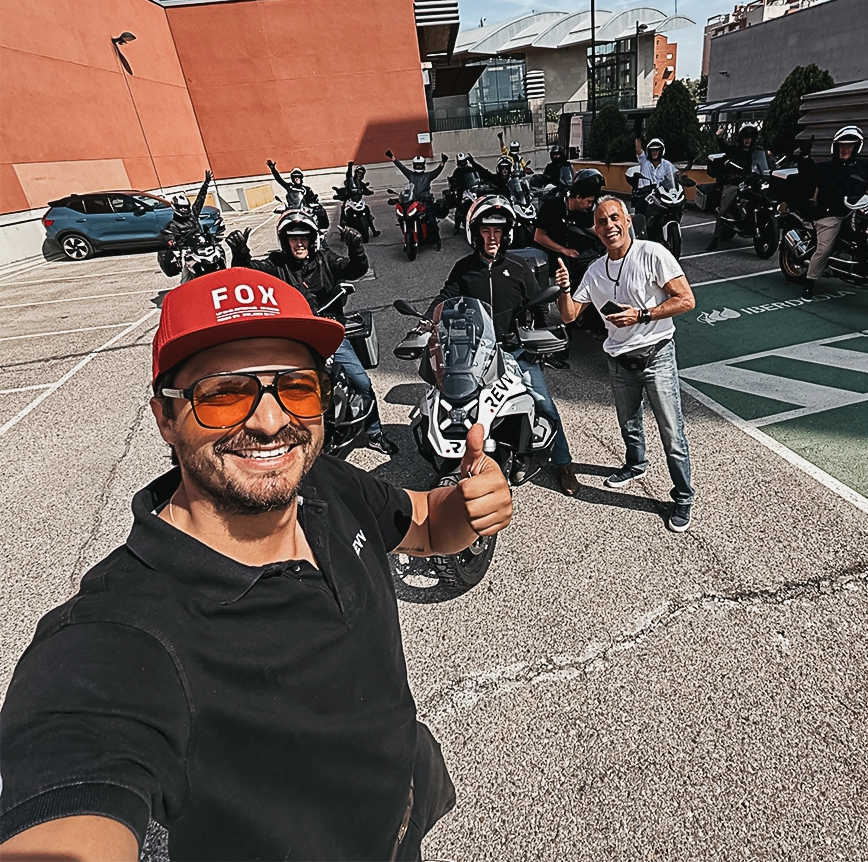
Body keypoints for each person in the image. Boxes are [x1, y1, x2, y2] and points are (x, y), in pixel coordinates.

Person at [0, 268, 511, 862]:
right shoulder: (119, 636)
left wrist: (465, 502)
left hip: (403, 809)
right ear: (165, 417)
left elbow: (421, 523)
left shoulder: (324, 484)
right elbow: (69, 793)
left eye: (295, 387)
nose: (270, 422)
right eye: (223, 394)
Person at [422, 195, 580, 496]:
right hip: (471, 352)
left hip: (513, 351)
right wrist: (427, 320)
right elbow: (446, 297)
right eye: (486, 230)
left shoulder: (519, 267)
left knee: (543, 403)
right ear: (475, 232)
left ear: (506, 232)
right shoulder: (464, 268)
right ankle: (449, 461)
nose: (492, 236)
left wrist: (546, 336)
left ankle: (562, 462)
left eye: (498, 230)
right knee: (450, 402)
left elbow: (538, 305)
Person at [555, 197, 697, 532]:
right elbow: (569, 314)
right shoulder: (595, 270)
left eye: (614, 218)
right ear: (597, 230)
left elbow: (686, 299)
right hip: (619, 360)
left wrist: (642, 314)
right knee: (628, 422)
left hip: (657, 354)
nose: (609, 226)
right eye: (602, 222)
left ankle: (683, 497)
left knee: (672, 433)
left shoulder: (653, 254)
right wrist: (563, 289)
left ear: (628, 220)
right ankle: (636, 464)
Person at [226, 211, 398, 455]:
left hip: (330, 332)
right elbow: (247, 275)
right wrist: (240, 253)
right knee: (278, 388)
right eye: (293, 238)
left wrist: (355, 246)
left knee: (362, 383)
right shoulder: (277, 265)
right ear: (284, 242)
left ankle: (374, 432)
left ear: (312, 239)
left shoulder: (325, 259)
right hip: (295, 336)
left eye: (304, 238)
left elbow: (355, 269)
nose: (299, 243)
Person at [796, 125, 868, 299]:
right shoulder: (826, 168)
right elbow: (808, 173)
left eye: (850, 146)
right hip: (831, 214)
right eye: (842, 146)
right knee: (824, 248)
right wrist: (805, 156)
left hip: (859, 211)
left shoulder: (864, 165)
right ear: (836, 147)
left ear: (856, 147)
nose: (845, 149)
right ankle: (809, 282)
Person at [533, 168, 605, 287]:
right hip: (551, 265)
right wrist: (563, 250)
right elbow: (539, 236)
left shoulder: (582, 212)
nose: (590, 205)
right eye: (589, 201)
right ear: (578, 197)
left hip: (573, 266)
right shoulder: (551, 207)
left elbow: (593, 229)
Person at [705, 124, 769, 251]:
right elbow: (724, 147)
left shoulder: (756, 152)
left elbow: (764, 164)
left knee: (766, 199)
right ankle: (715, 239)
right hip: (734, 183)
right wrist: (719, 137)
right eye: (745, 137)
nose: (747, 140)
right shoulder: (735, 150)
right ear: (741, 138)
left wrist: (768, 170)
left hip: (752, 182)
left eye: (750, 137)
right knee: (722, 211)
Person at [386, 149, 446, 250]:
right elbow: (402, 168)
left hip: (426, 202)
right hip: (413, 201)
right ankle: (408, 240)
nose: (418, 166)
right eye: (417, 165)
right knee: (404, 218)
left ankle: (438, 241)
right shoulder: (411, 175)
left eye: (420, 165)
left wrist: (442, 163)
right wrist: (393, 158)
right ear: (414, 165)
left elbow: (437, 172)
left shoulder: (428, 176)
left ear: (423, 165)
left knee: (431, 221)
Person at [267, 159, 329, 231]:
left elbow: (312, 200)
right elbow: (279, 180)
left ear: (301, 178)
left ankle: (321, 237)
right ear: (292, 179)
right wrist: (273, 169)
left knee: (317, 226)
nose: (297, 179)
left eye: (298, 177)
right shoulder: (289, 187)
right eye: (295, 177)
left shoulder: (306, 189)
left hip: (304, 211)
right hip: (292, 210)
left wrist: (314, 201)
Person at [338, 160, 379, 237]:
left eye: (361, 174)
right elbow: (348, 175)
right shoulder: (350, 180)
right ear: (356, 172)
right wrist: (349, 166)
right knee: (343, 208)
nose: (359, 175)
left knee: (366, 209)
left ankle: (374, 231)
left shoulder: (360, 183)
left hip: (358, 201)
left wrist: (369, 192)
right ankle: (342, 230)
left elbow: (366, 189)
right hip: (349, 200)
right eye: (358, 173)